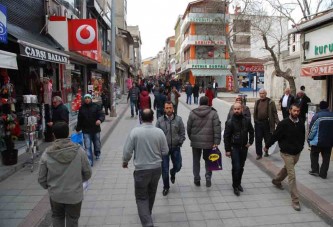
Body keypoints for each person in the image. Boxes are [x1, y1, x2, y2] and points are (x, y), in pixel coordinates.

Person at [38, 122, 92, 227]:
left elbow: (41, 179)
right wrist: (78, 181)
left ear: (54, 135)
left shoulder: (47, 154)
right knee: (73, 219)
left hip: (56, 195)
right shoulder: (79, 151)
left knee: (57, 217)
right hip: (74, 195)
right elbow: (88, 173)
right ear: (68, 134)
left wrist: (49, 186)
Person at [123, 109, 169, 227]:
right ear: (153, 118)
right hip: (156, 169)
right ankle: (147, 213)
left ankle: (147, 222)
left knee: (141, 197)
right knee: (151, 193)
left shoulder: (135, 132)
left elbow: (127, 151)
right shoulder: (159, 132)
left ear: (140, 118)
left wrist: (125, 162)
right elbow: (165, 151)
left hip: (141, 170)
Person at [264, 104, 305, 211]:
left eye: (298, 111)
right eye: (295, 111)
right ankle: (295, 200)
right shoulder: (283, 124)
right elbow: (275, 136)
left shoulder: (301, 122)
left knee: (287, 169)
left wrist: (301, 147)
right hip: (286, 153)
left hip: (297, 153)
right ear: (290, 110)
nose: (296, 113)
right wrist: (267, 145)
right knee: (292, 175)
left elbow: (302, 135)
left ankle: (277, 181)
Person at [187, 96, 221, 187]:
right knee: (209, 160)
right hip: (209, 142)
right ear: (208, 103)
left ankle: (197, 178)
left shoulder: (193, 113)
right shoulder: (213, 113)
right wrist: (216, 141)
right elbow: (217, 128)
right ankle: (208, 176)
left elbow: (188, 128)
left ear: (199, 103)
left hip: (196, 141)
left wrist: (192, 138)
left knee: (196, 160)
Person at [224, 103, 254, 196]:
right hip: (234, 147)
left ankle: (239, 183)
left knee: (241, 167)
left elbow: (251, 131)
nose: (236, 110)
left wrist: (250, 142)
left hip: (244, 147)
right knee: (236, 167)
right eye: (235, 109)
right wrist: (227, 150)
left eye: (238, 109)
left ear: (242, 109)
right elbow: (226, 137)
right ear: (233, 110)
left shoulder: (247, 120)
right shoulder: (229, 122)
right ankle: (235, 186)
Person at [156, 101, 186, 196]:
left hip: (175, 147)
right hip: (164, 149)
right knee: (164, 169)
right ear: (164, 109)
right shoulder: (160, 120)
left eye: (170, 107)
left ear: (173, 108)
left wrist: (180, 142)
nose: (169, 109)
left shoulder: (178, 120)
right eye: (167, 108)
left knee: (178, 166)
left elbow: (182, 132)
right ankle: (166, 187)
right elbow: (156, 134)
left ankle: (172, 172)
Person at [76, 94, 105, 166]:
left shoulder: (96, 106)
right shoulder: (81, 108)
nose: (87, 99)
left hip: (95, 129)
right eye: (86, 98)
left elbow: (102, 115)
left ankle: (97, 152)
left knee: (97, 143)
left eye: (88, 98)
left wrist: (100, 120)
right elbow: (80, 119)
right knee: (87, 146)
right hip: (86, 130)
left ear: (91, 99)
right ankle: (89, 161)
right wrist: (78, 128)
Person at [308, 101, 333, 179]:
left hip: (317, 141)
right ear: (328, 107)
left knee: (314, 154)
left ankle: (315, 170)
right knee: (326, 157)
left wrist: (309, 139)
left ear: (320, 107)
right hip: (329, 141)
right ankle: (323, 174)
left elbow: (312, 129)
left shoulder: (317, 116)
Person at [253, 88, 279, 160]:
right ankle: (259, 154)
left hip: (267, 123)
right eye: (260, 93)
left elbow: (274, 113)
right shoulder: (257, 101)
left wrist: (278, 123)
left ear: (266, 94)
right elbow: (255, 112)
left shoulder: (270, 102)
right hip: (258, 123)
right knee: (258, 139)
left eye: (263, 93)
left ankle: (266, 151)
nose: (262, 95)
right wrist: (255, 121)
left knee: (267, 139)